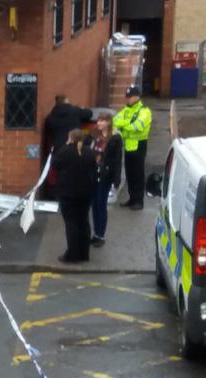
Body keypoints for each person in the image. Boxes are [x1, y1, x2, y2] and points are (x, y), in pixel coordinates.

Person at [52, 129, 96, 263]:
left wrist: (66, 145)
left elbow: (55, 165)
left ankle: (72, 255)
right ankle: (84, 253)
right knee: (83, 221)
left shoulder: (64, 151)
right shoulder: (89, 152)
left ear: (70, 138)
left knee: (71, 223)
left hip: (68, 193)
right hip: (86, 193)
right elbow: (93, 169)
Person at [113, 86, 152, 210]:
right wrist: (126, 125)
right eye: (127, 97)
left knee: (138, 175)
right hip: (128, 145)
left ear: (136, 97)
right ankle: (132, 198)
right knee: (130, 174)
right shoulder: (126, 110)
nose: (127, 99)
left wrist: (123, 126)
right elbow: (115, 121)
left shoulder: (144, 111)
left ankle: (139, 201)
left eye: (129, 97)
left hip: (139, 145)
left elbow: (138, 126)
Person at [90, 113, 123, 247]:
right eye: (98, 120)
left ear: (108, 122)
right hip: (93, 174)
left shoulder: (115, 138)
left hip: (105, 176)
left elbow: (117, 160)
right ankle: (95, 234)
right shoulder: (95, 135)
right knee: (94, 205)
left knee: (100, 204)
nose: (99, 123)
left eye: (102, 121)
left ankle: (100, 235)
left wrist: (116, 180)